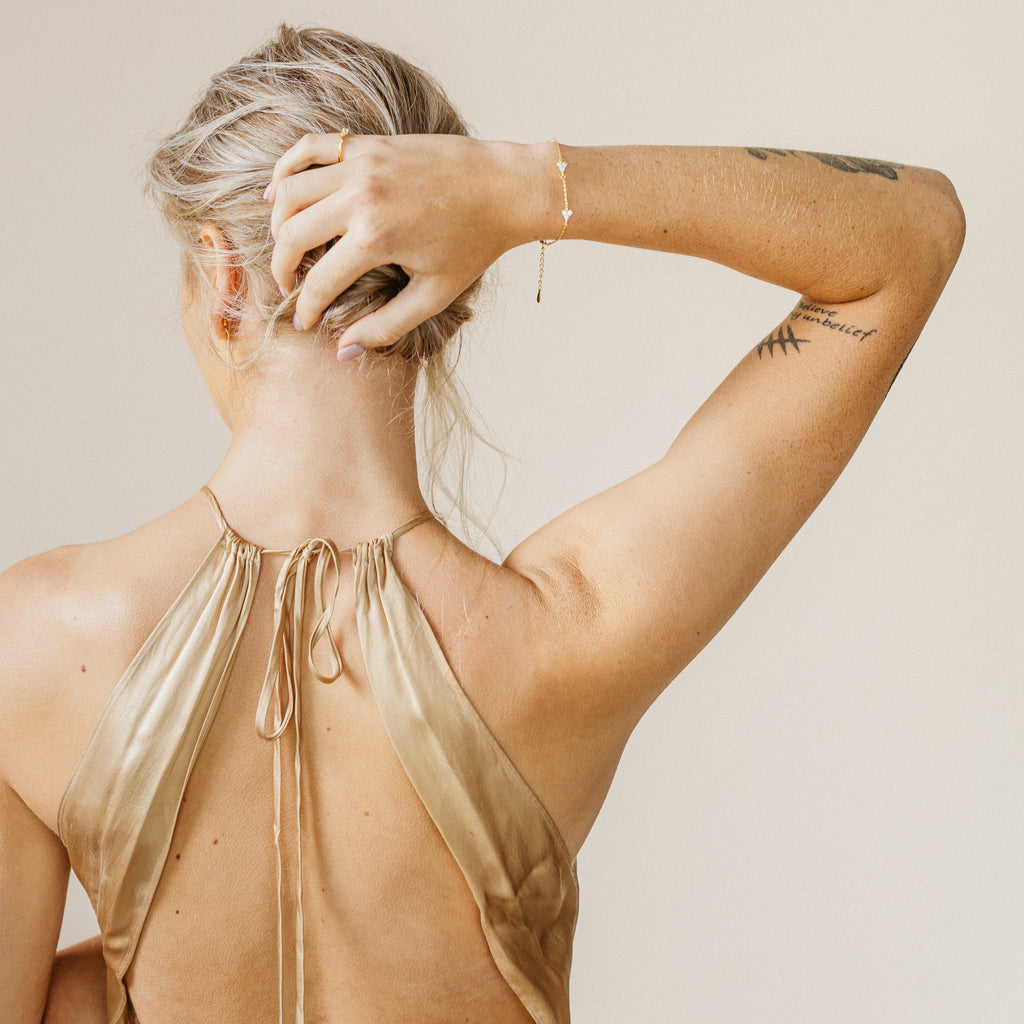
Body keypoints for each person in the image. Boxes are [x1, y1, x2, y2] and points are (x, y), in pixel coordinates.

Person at [0, 24, 964, 1024]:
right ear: (449, 282)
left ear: (224, 276)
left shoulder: (30, 642)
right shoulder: (568, 632)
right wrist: (522, 191)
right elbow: (912, 234)